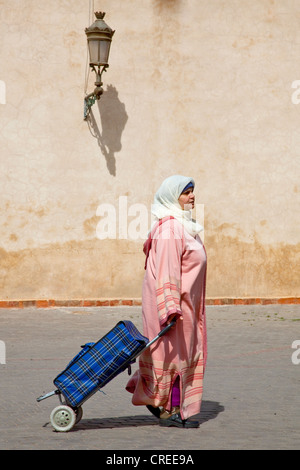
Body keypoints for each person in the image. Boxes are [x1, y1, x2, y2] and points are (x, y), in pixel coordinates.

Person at [126, 175, 207, 428]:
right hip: (172, 308)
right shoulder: (171, 229)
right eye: (186, 193)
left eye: (192, 191)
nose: (192, 196)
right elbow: (167, 272)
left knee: (179, 356)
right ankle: (170, 410)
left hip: (187, 306)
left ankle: (168, 405)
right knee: (173, 358)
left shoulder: (184, 225)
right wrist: (170, 309)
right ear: (172, 197)